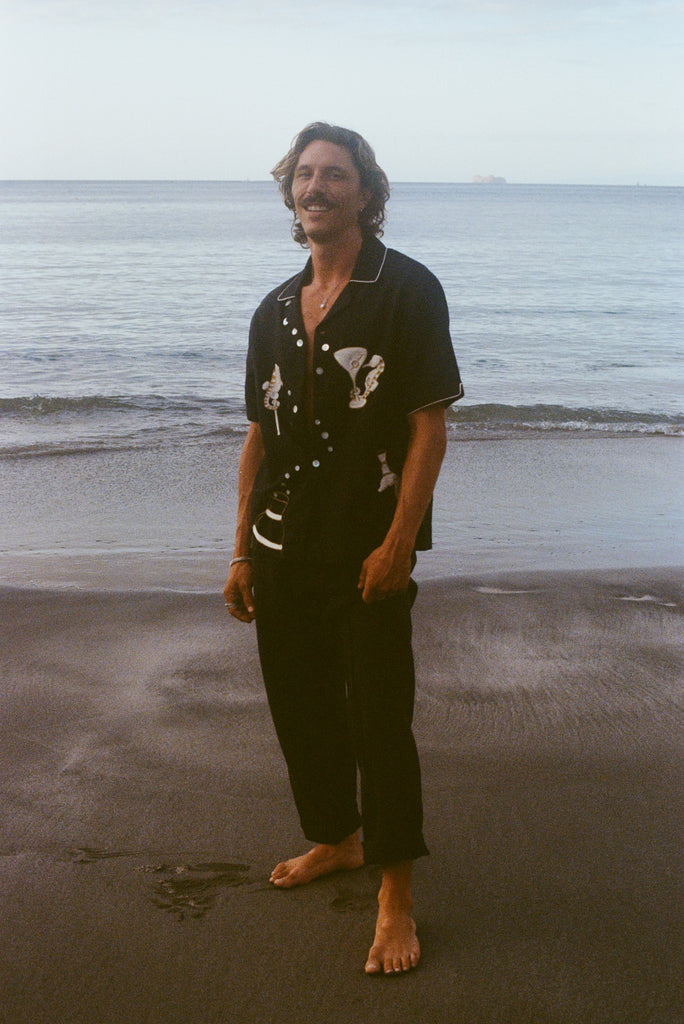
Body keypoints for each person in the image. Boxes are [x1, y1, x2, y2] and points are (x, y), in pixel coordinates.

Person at [223, 123, 463, 975]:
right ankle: (337, 837)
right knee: (301, 704)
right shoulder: (275, 308)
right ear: (290, 192)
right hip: (282, 544)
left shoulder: (405, 290)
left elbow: (428, 423)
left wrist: (401, 541)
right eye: (303, 174)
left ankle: (396, 891)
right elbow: (258, 433)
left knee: (377, 717)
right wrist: (242, 549)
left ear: (366, 193)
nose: (315, 186)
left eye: (334, 174)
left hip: (366, 547)